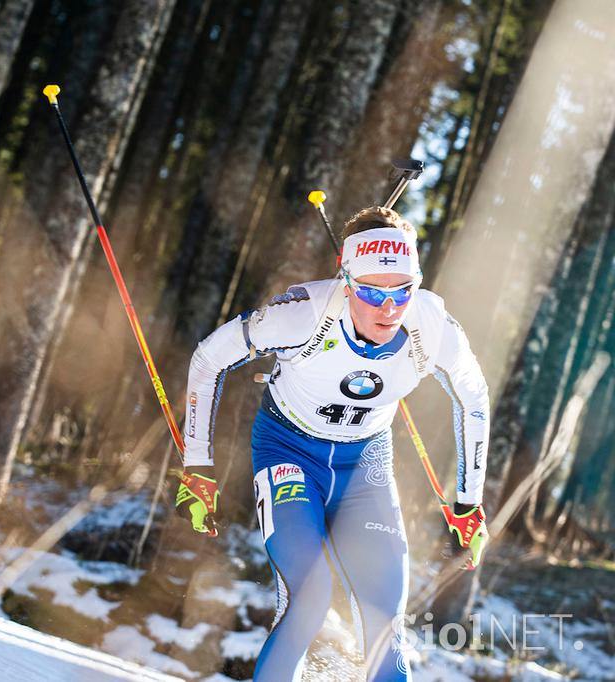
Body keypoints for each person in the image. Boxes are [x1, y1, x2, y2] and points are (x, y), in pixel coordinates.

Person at [174, 207, 490, 681]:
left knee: (386, 626)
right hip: (289, 451)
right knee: (311, 596)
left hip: (365, 464)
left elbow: (475, 398)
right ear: (346, 282)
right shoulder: (302, 314)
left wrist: (468, 502)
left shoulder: (432, 324)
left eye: (403, 290)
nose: (390, 307)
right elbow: (208, 358)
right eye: (371, 291)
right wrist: (197, 467)